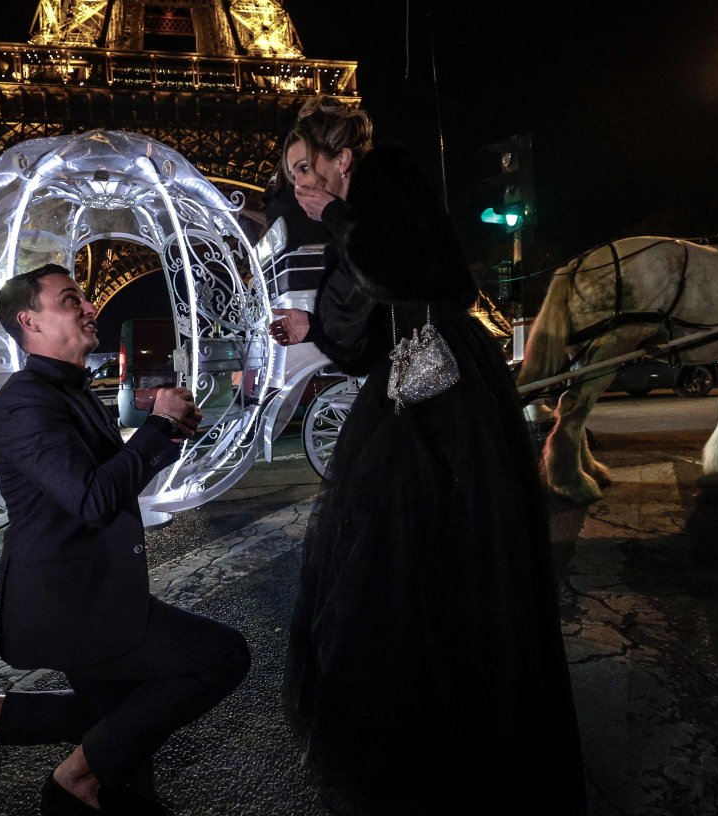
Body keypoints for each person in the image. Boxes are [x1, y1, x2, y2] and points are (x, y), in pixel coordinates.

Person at [269, 116, 588, 811]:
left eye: (304, 166)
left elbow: (414, 271)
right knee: (406, 563)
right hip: (406, 387)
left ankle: (448, 727)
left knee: (427, 556)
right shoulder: (358, 210)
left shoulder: (384, 175)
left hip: (441, 398)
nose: (298, 183)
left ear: (338, 155)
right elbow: (363, 333)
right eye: (292, 172)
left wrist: (342, 218)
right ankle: (426, 712)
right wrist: (311, 329)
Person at [0, 264, 251, 816]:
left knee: (120, 711)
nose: (90, 307)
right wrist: (155, 428)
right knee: (221, 656)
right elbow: (95, 499)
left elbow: (107, 478)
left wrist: (167, 430)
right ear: (29, 321)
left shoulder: (63, 390)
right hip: (74, 603)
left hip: (91, 590)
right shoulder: (28, 402)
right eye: (71, 299)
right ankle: (77, 780)